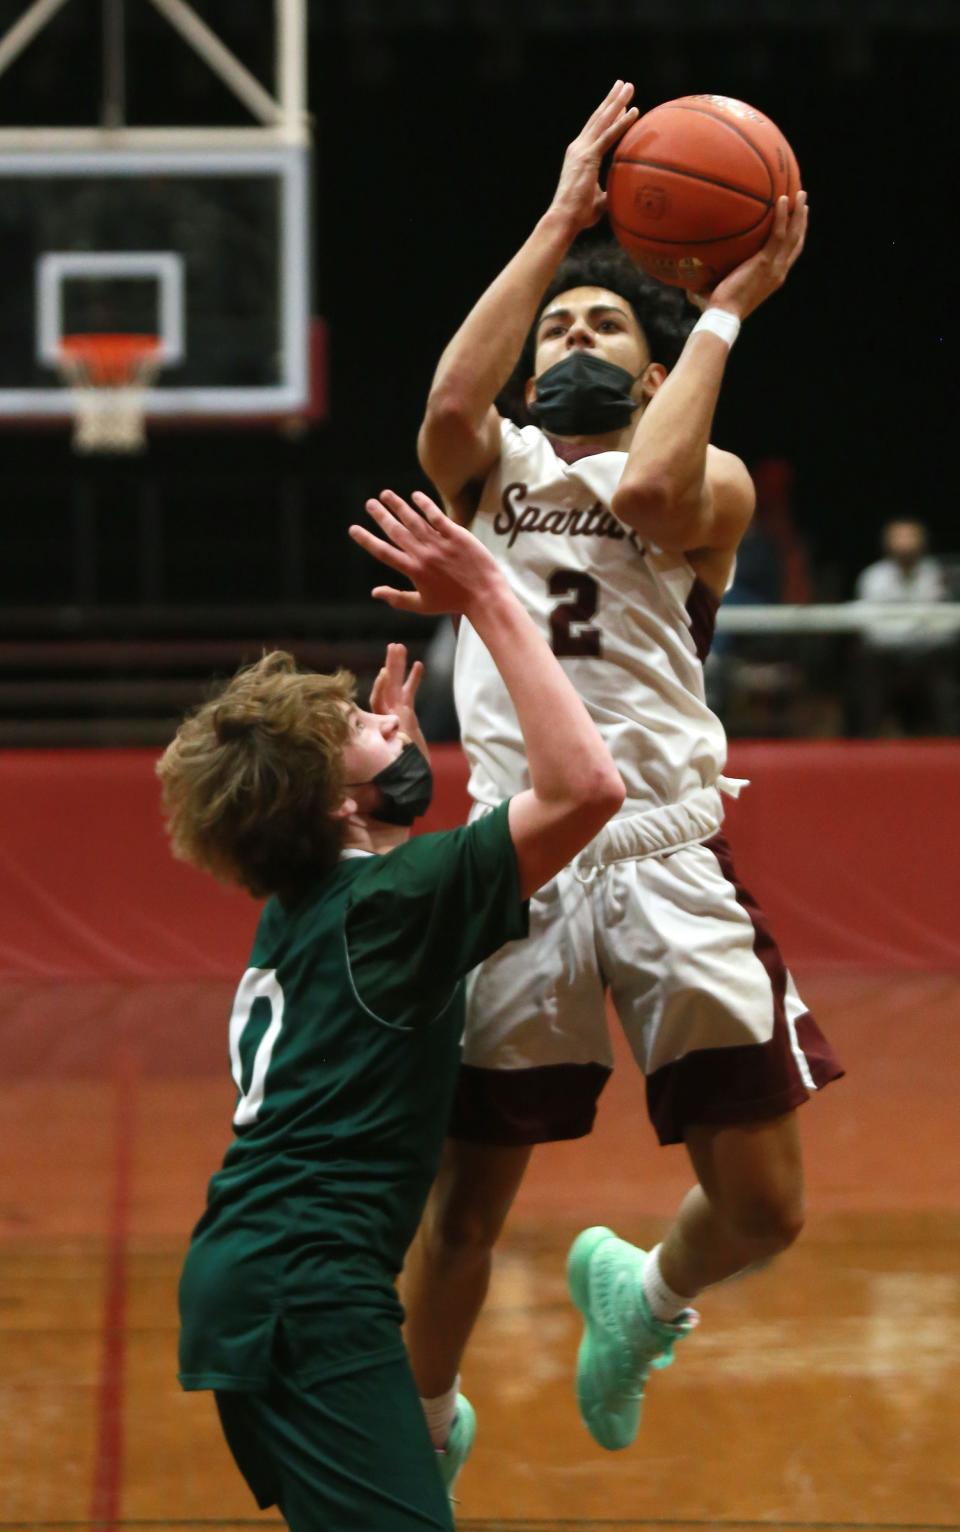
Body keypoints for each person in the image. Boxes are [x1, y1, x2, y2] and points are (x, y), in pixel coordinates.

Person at [404, 79, 844, 1466]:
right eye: (559, 329)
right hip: (512, 855)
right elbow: (448, 399)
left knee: (768, 1207)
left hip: (664, 852)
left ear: (658, 374)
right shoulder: (493, 466)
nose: (576, 335)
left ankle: (643, 1298)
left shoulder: (700, 477)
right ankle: (415, 1434)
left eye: (606, 321)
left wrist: (721, 305)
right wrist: (559, 223)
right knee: (467, 1204)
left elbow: (653, 497)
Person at [157, 488, 624, 1532]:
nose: (380, 713)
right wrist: (490, 600)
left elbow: (402, 901)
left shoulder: (311, 902)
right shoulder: (392, 903)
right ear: (335, 803)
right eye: (355, 728)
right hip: (310, 1291)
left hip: (255, 1274)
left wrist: (386, 776)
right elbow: (590, 786)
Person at [850, 518, 955, 736]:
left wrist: (907, 628)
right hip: (886, 656)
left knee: (948, 668)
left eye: (911, 537)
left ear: (923, 542)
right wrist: (915, 626)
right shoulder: (873, 577)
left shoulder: (936, 575)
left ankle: (952, 740)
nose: (905, 544)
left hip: (929, 655)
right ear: (887, 543)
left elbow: (945, 625)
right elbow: (872, 628)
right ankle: (865, 740)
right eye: (899, 537)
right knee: (867, 663)